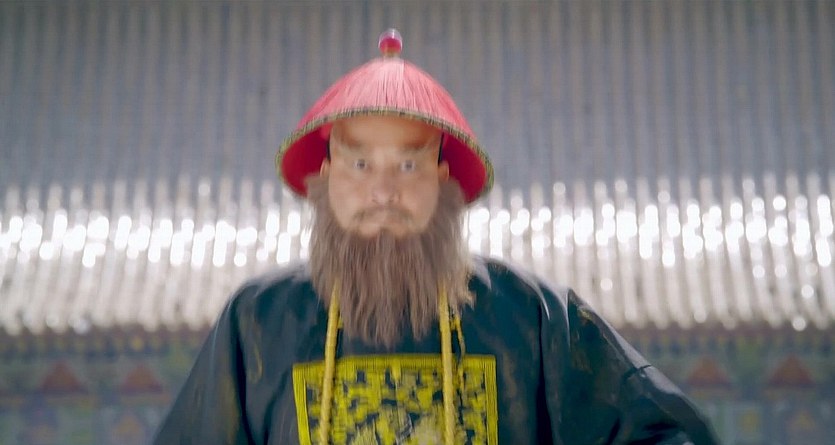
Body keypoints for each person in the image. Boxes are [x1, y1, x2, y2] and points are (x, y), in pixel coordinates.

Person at [153, 29, 719, 445]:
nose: (383, 192)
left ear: (443, 179)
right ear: (324, 177)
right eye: (359, 164)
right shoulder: (256, 325)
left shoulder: (533, 319)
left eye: (408, 165)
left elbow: (664, 435)